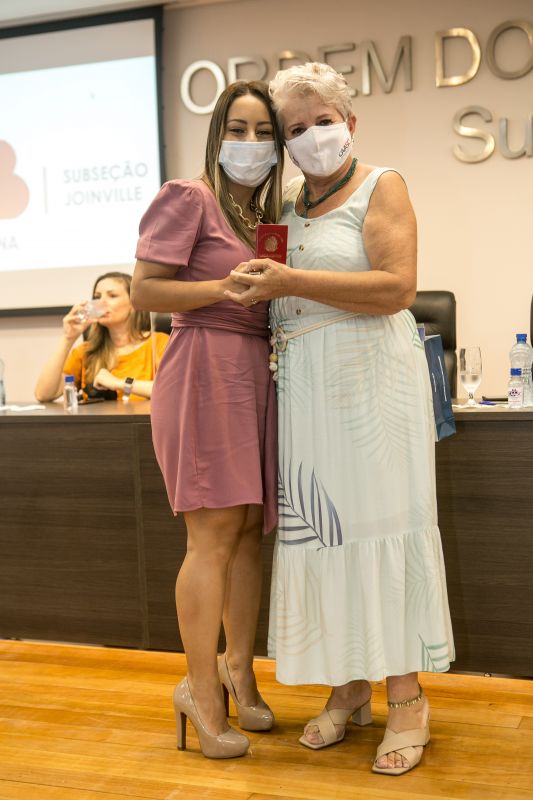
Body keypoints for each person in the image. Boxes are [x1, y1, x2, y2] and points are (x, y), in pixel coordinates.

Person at [225, 62, 454, 775]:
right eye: (295, 128)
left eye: (322, 121)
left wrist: (291, 280)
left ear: (349, 123)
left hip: (372, 386)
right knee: (327, 537)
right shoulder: (285, 206)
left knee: (382, 528)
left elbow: (397, 287)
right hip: (305, 391)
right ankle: (349, 685)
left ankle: (406, 698)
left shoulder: (383, 185)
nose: (310, 136)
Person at [130, 80, 284, 759]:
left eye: (264, 132)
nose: (251, 143)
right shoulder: (188, 196)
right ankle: (199, 690)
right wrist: (224, 287)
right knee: (212, 536)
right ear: (217, 134)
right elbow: (144, 289)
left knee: (248, 532)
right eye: (238, 129)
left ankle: (238, 673)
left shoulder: (265, 216)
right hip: (203, 366)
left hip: (254, 370)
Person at [35, 271, 168, 403]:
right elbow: (43, 394)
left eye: (112, 296)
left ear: (134, 303)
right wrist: (68, 338)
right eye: (97, 297)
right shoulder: (86, 351)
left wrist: (118, 383)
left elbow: (171, 390)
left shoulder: (159, 343)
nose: (101, 303)